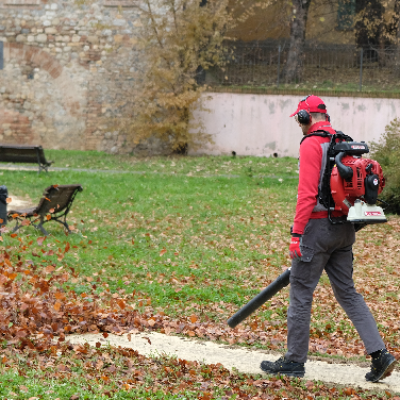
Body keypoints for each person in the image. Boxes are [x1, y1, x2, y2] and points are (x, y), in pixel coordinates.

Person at [260, 95, 397, 382]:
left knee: (300, 294)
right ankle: (380, 355)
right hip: (344, 229)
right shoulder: (343, 141)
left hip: (316, 231)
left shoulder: (311, 143)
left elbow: (307, 194)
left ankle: (294, 361)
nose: (299, 124)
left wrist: (296, 234)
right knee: (348, 293)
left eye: (299, 119)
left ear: (304, 118)